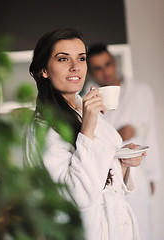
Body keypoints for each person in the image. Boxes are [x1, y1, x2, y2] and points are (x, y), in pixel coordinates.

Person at [24, 29, 146, 240]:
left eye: (81, 58)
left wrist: (123, 162)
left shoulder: (86, 110)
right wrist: (87, 128)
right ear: (44, 70)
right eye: (63, 59)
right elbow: (76, 196)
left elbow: (107, 182)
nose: (75, 67)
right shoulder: (41, 130)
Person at [85, 44, 161, 240]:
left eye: (107, 64)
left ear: (115, 62)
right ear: (91, 71)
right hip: (105, 179)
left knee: (142, 231)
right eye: (98, 68)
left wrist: (153, 176)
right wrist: (118, 134)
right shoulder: (88, 98)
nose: (105, 72)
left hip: (138, 175)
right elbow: (88, 139)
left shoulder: (141, 92)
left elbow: (151, 132)